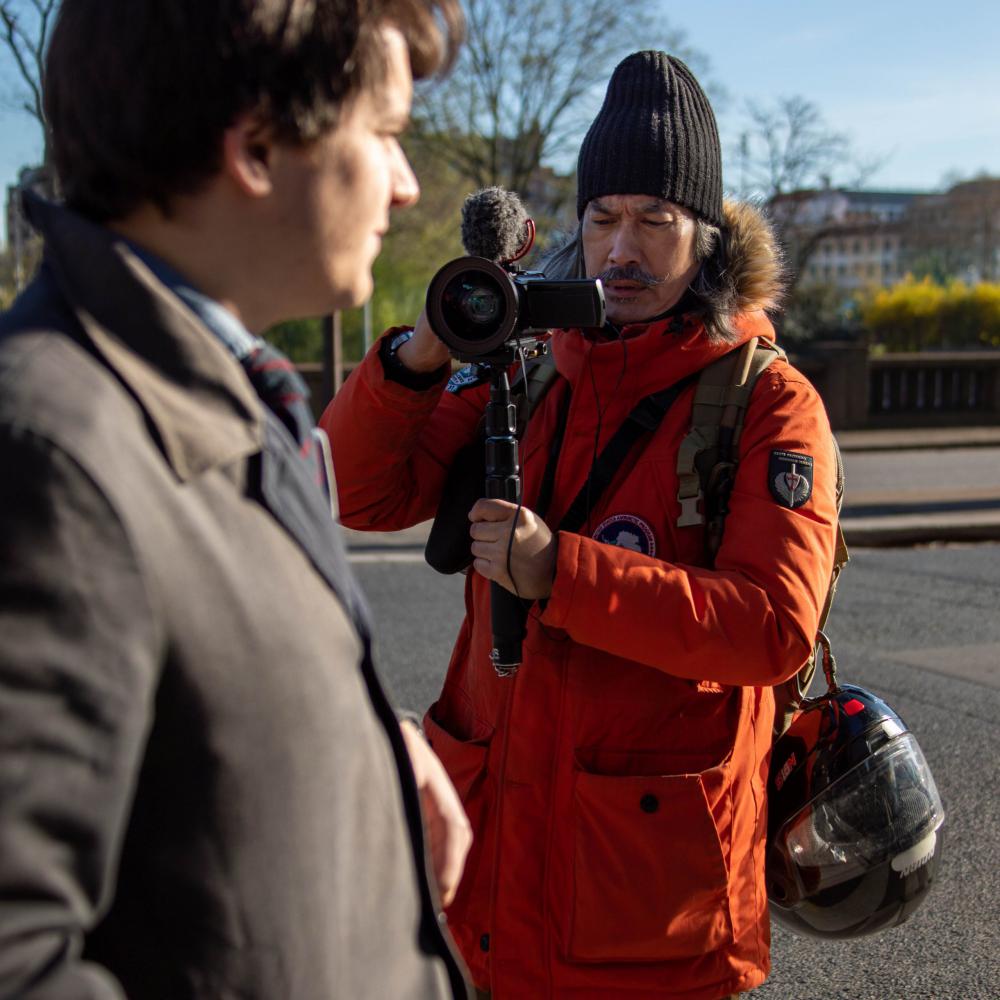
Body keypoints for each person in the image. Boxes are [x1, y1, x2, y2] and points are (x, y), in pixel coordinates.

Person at [322, 50, 839, 999]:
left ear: (705, 235)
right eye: (603, 218)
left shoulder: (768, 400)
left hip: (653, 916)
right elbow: (358, 496)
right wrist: (426, 350)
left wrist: (562, 572)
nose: (622, 249)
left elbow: (772, 627)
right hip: (491, 888)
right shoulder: (532, 368)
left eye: (655, 218)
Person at [0, 1, 474, 998]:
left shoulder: (206, 383)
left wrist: (364, 743)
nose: (405, 183)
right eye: (385, 133)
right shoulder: (49, 454)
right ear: (257, 146)